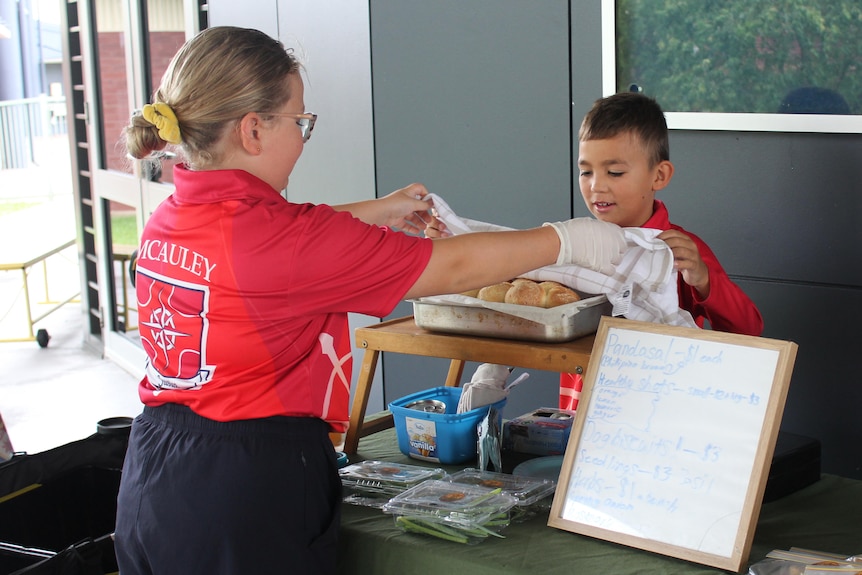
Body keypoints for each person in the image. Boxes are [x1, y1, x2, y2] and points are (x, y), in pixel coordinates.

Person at [114, 26, 628, 575]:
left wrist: (380, 209)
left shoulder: (170, 217)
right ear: (254, 129)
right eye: (301, 122)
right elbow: (450, 265)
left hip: (155, 472)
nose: (304, 137)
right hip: (245, 492)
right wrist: (566, 239)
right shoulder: (287, 243)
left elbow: (288, 242)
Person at [424, 92, 763, 409]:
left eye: (614, 172)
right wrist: (450, 242)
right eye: (586, 171)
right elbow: (509, 283)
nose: (596, 185)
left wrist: (703, 281)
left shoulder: (678, 252)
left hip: (658, 417)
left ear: (659, 175)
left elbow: (748, 330)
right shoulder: (571, 249)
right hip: (578, 418)